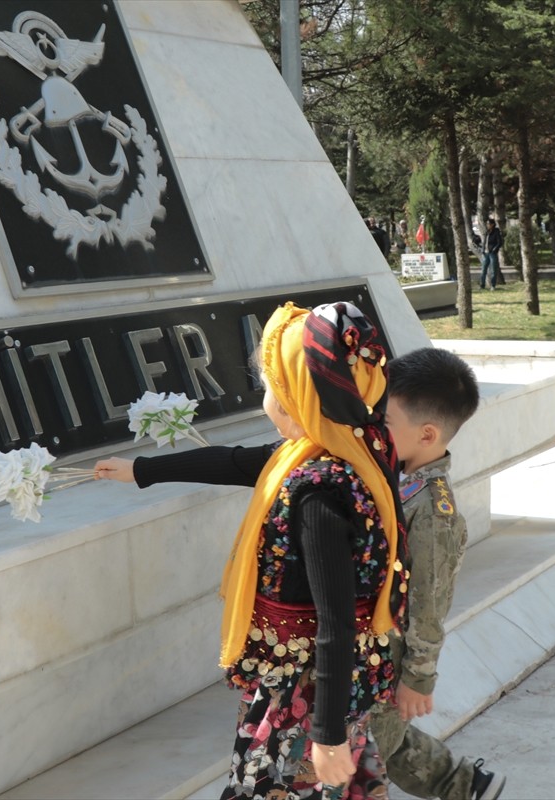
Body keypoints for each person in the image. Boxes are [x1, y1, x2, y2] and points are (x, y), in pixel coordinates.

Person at [96, 302, 406, 798]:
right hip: (302, 684)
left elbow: (337, 621)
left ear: (298, 400)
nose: (266, 401)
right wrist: (141, 470)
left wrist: (325, 736)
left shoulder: (319, 492)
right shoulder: (345, 450)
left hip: (302, 696)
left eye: (271, 389)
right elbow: (237, 463)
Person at [370, 347, 505, 800]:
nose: (373, 427)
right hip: (366, 650)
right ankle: (463, 786)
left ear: (427, 434)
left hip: (385, 660)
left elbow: (429, 604)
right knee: (379, 739)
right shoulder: (396, 470)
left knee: (360, 759)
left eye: (384, 421)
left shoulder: (433, 512)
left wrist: (417, 678)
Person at [480, 219, 504, 290]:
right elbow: (484, 242)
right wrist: (483, 249)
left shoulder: (496, 232)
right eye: (487, 224)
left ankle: (493, 285)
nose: (487, 225)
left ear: (492, 224)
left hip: (492, 253)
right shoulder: (487, 232)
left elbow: (499, 242)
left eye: (489, 224)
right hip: (486, 253)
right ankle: (482, 285)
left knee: (493, 270)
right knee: (483, 270)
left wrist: (494, 249)